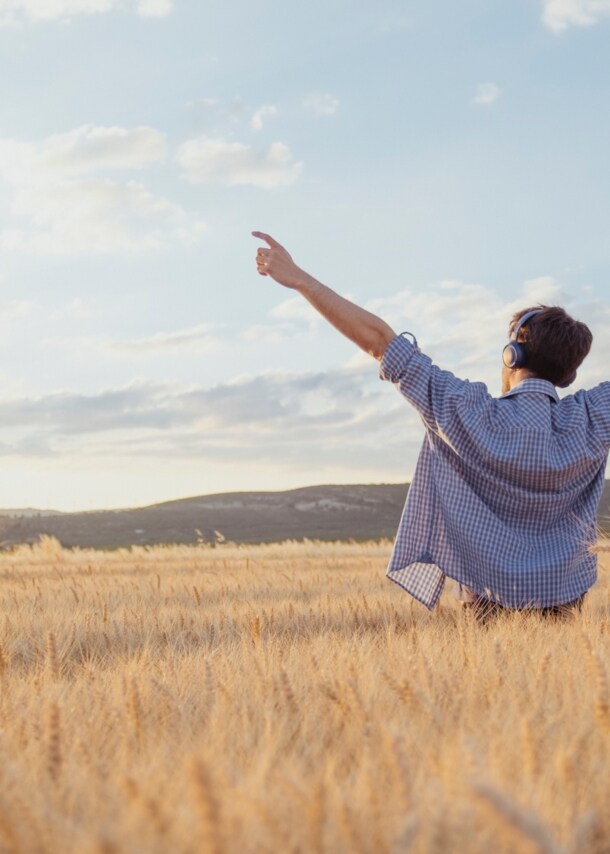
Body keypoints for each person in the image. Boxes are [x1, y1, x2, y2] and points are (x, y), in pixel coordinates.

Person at [252, 231, 610, 622]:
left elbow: (379, 341)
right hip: (566, 594)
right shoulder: (595, 416)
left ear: (512, 355)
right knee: (561, 667)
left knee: (489, 666)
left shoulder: (463, 407)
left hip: (486, 596)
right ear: (569, 375)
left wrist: (300, 279)